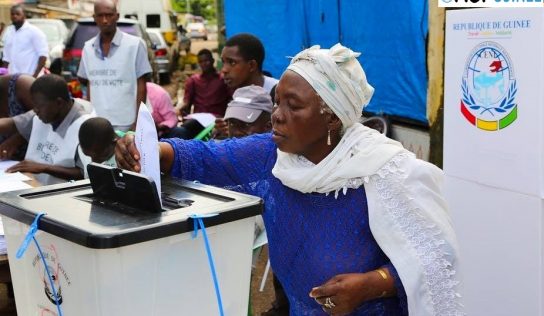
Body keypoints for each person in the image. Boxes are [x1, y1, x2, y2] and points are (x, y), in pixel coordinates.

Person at [116, 44, 463, 315]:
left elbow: (437, 260)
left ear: (331, 116)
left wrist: (373, 284)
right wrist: (152, 150)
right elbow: (205, 157)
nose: (277, 117)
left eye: (293, 106)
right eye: (277, 101)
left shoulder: (386, 173)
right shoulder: (271, 155)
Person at [0, 74, 94, 180]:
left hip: (61, 193)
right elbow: (13, 123)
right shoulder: (41, 115)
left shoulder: (85, 126)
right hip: (32, 185)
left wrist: (44, 168)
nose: (35, 110)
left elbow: (84, 174)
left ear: (59, 103)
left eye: (39, 106)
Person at [77, 0, 152, 132]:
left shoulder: (134, 45)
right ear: (94, 18)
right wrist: (90, 117)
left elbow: (141, 84)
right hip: (98, 122)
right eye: (100, 16)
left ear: (117, 16)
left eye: (109, 15)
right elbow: (90, 83)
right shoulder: (88, 48)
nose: (105, 20)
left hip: (126, 122)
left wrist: (138, 122)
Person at [215, 33, 279, 138]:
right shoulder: (235, 93)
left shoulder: (278, 93)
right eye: (223, 62)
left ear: (251, 65)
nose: (224, 69)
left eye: (232, 62)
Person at [1, 5, 48, 77]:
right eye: (12, 14)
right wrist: (3, 75)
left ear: (24, 15)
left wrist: (34, 75)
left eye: (17, 14)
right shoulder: (9, 31)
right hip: (12, 77)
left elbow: (43, 56)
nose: (14, 16)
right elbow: (6, 57)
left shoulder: (34, 32)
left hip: (29, 76)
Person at [182, 49, 231, 118]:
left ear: (212, 61)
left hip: (217, 119)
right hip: (197, 120)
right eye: (201, 62)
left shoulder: (223, 80)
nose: (204, 64)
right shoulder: (194, 81)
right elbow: (186, 103)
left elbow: (231, 100)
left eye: (206, 61)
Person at [0, 74, 35, 159]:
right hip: (7, 166)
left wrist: (18, 138)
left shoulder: (22, 84)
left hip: (45, 161)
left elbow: (52, 110)